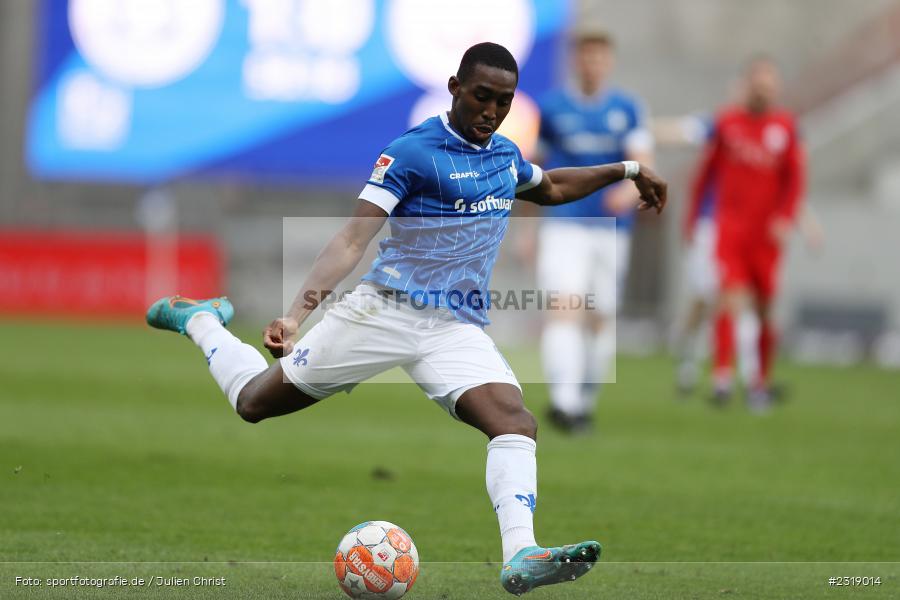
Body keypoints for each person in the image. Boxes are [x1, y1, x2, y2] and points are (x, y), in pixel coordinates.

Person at [146, 43, 667, 595]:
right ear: (455, 88)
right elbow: (352, 240)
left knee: (515, 423)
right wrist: (297, 314)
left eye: (504, 101)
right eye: (482, 96)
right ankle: (202, 321)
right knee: (254, 403)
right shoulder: (413, 152)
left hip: (453, 327)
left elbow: (553, 187)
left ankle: (521, 553)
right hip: (382, 313)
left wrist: (627, 169)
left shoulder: (504, 155)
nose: (491, 111)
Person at [530, 29, 654, 432]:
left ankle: (584, 399)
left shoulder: (627, 108)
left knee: (600, 317)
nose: (593, 64)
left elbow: (642, 161)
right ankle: (562, 402)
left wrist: (627, 190)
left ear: (609, 62)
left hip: (610, 228)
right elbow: (534, 172)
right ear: (575, 60)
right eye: (586, 56)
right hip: (564, 223)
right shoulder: (552, 108)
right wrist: (526, 230)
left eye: (600, 57)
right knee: (563, 306)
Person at [688, 56, 806, 411]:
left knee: (765, 308)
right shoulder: (727, 123)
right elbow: (705, 174)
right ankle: (723, 378)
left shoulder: (785, 127)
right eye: (757, 84)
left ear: (776, 89)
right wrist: (693, 219)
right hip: (731, 228)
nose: (762, 90)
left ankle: (759, 383)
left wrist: (785, 217)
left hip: (766, 235)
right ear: (747, 86)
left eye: (768, 85)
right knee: (729, 298)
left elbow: (795, 179)